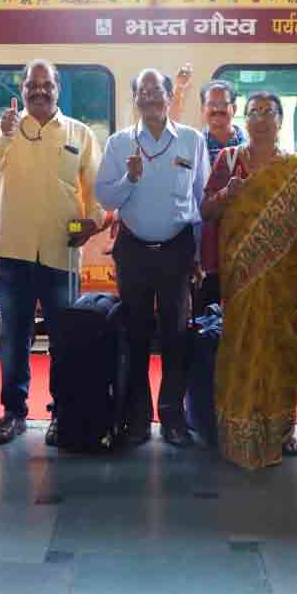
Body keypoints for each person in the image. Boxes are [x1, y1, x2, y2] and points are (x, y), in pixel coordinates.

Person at [203, 92, 297, 468]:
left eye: (268, 112)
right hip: (241, 280)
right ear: (244, 120)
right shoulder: (227, 161)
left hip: (288, 281)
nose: (261, 118)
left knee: (285, 351)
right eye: (254, 112)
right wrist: (226, 196)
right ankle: (239, 432)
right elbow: (206, 210)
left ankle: (282, 430)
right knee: (241, 349)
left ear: (280, 120)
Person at [0, 60, 103, 446]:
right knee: (15, 337)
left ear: (58, 89)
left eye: (46, 85)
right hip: (14, 252)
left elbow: (94, 194)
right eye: (32, 85)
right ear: (23, 88)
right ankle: (13, 413)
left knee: (65, 338)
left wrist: (91, 224)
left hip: (60, 255)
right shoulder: (4, 127)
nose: (39, 91)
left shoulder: (80, 134)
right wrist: (6, 136)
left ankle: (62, 412)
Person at [95, 69, 208, 447]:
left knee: (176, 336)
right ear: (135, 100)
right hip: (134, 251)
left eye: (155, 91)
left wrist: (198, 253)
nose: (149, 98)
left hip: (177, 251)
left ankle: (173, 418)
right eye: (141, 92)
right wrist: (129, 178)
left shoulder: (191, 141)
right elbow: (106, 199)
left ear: (168, 94)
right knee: (136, 335)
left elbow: (201, 200)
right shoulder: (118, 144)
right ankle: (138, 420)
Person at [196, 77, 248, 309]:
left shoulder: (251, 145)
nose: (217, 110)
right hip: (202, 246)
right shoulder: (191, 145)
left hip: (244, 246)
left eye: (223, 104)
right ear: (203, 109)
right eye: (211, 104)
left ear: (234, 109)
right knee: (205, 317)